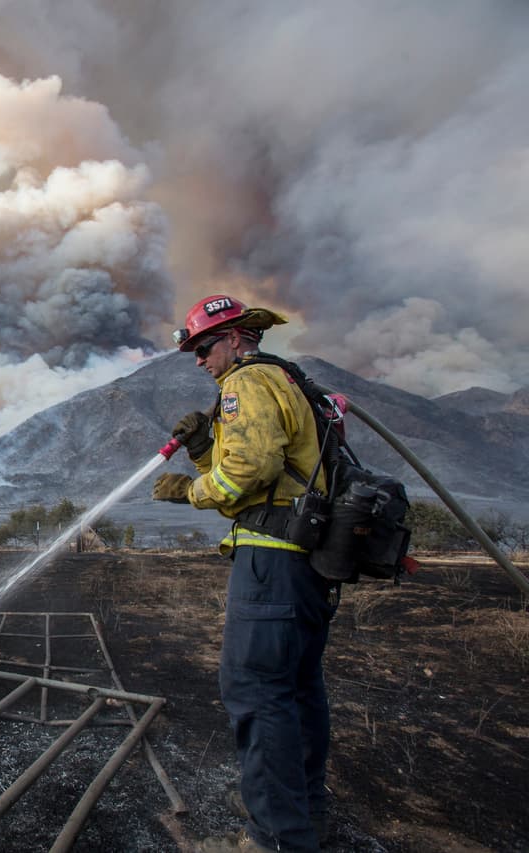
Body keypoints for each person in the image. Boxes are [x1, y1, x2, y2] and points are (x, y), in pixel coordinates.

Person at [152, 294, 339, 853]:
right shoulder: (284, 382)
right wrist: (205, 449)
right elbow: (258, 469)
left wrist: (192, 491)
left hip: (272, 561)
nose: (200, 361)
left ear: (236, 338)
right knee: (296, 688)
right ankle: (299, 810)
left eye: (204, 347)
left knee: (256, 690)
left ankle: (276, 835)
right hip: (302, 564)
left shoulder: (246, 384)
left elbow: (250, 471)